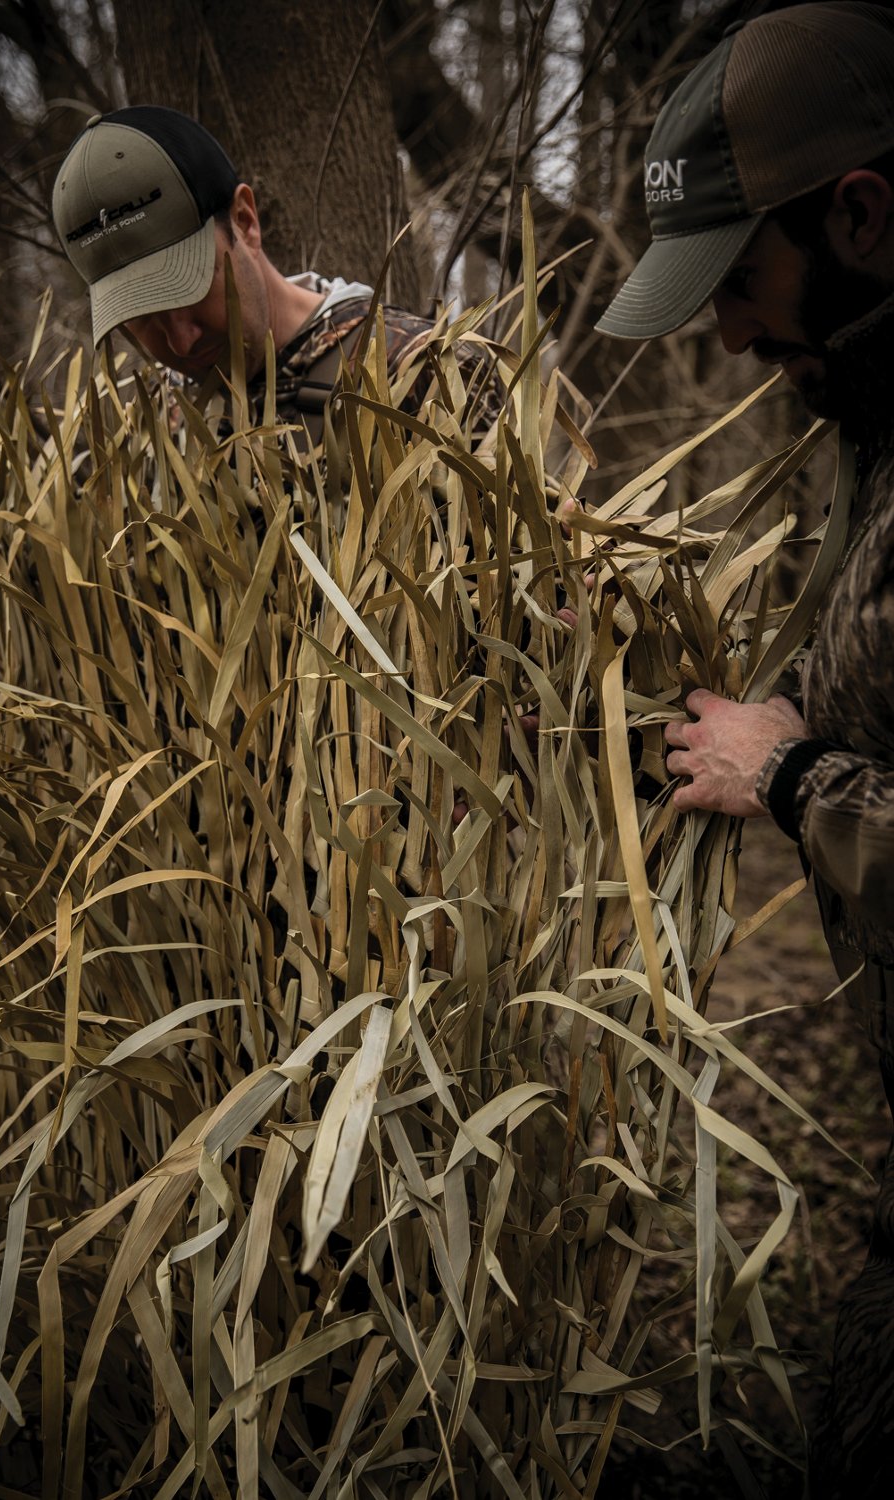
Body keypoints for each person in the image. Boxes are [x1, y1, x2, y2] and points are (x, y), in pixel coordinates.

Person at [597, 3, 894, 1493]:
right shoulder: (862, 412)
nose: (720, 334)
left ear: (858, 215)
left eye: (738, 282)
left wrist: (793, 781)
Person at [50, 105, 498, 446]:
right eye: (141, 316)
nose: (180, 342)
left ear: (245, 221)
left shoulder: (428, 376)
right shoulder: (163, 420)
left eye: (185, 291)